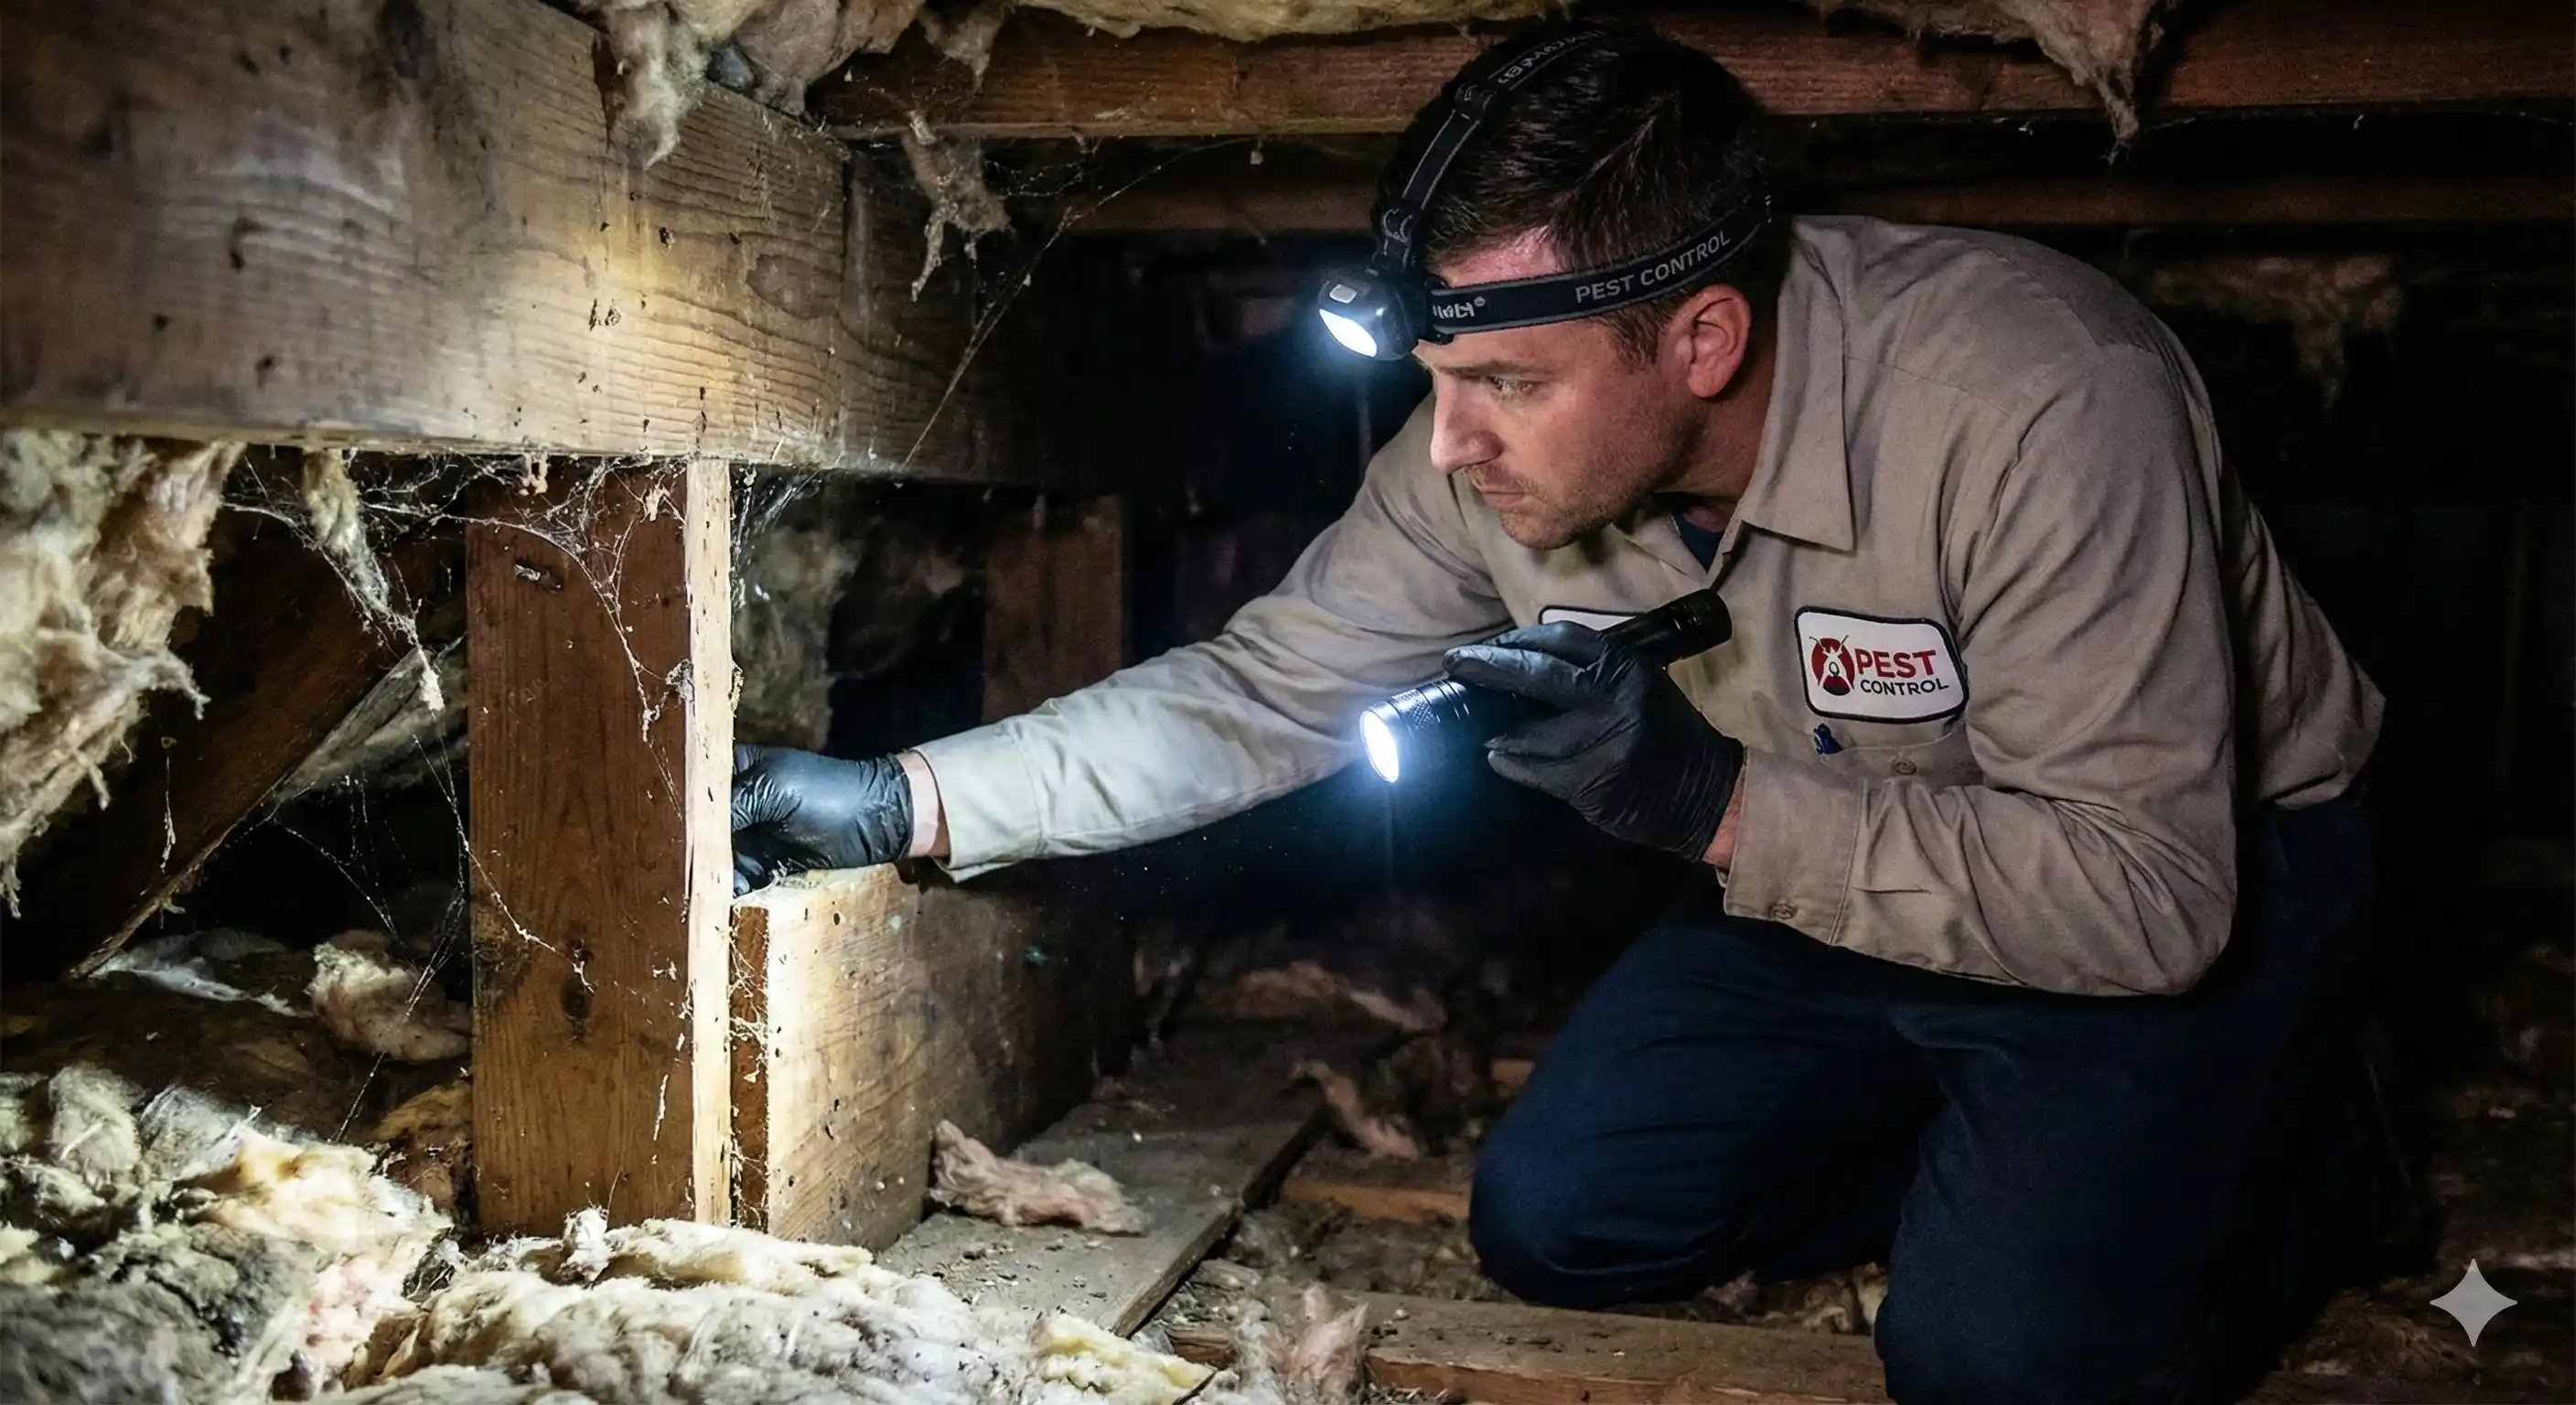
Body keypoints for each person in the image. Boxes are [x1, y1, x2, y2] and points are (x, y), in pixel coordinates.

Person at [733, 21, 2382, 1402]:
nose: (1448, 446)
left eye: (1507, 386)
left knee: (1998, 1362)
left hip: (2174, 888)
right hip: (1839, 880)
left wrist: (1712, 809)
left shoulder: (2038, 404)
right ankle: (2006, 1158)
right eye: (1438, 381)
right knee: (1562, 1220)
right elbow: (1268, 687)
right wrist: (906, 800)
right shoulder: (1483, 453)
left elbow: (2147, 900)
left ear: (1703, 339)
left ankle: (2293, 1159)